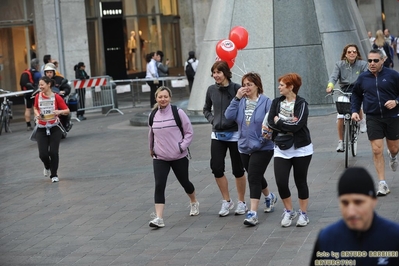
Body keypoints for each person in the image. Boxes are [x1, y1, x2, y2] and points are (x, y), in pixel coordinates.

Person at [310, 167, 399, 266]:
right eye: (345, 203)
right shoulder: (326, 239)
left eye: (358, 202)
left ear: (374, 201)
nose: (351, 212)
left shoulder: (394, 237)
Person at [224, 72, 277, 226]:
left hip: (263, 147)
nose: (246, 87)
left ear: (257, 86)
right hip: (243, 147)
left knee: (253, 176)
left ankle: (253, 213)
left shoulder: (267, 102)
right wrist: (236, 98)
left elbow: (271, 125)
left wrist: (261, 140)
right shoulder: (240, 102)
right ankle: (269, 197)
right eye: (244, 84)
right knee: (256, 175)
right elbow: (228, 115)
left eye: (250, 84)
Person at [148, 86, 198, 228]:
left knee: (185, 182)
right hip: (160, 157)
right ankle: (159, 218)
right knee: (159, 185)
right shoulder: (153, 115)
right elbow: (151, 133)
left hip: (178, 156)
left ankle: (193, 201)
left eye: (165, 96)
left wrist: (181, 147)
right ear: (156, 98)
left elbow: (189, 132)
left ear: (170, 98)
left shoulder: (178, 112)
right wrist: (151, 148)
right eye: (160, 97)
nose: (163, 99)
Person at [267, 73, 313, 227]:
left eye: (282, 85)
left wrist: (279, 121)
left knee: (300, 181)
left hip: (301, 148)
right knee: (281, 182)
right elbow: (270, 122)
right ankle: (289, 211)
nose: (279, 87)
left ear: (291, 87)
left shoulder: (302, 104)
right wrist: (285, 123)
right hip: (281, 146)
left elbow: (298, 125)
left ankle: (303, 214)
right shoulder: (276, 102)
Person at [351, 49, 399, 196]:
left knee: (394, 148)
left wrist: (396, 101)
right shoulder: (363, 78)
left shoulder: (393, 75)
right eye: (369, 61)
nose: (372, 63)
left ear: (383, 60)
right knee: (377, 150)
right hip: (373, 117)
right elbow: (356, 95)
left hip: (392, 117)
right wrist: (354, 110)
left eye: (375, 61)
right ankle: (382, 183)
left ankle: (393, 156)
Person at [203, 60, 247, 217]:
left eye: (219, 72)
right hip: (217, 134)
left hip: (235, 135)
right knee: (216, 168)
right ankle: (226, 201)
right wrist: (213, 120)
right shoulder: (211, 90)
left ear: (226, 73)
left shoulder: (236, 89)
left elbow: (245, 108)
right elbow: (206, 109)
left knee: (238, 169)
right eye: (214, 72)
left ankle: (241, 202)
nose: (216, 75)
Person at [326, 44, 368, 152]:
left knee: (356, 102)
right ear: (345, 54)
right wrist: (330, 86)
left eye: (354, 51)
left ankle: (362, 120)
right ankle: (341, 142)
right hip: (344, 91)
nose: (352, 53)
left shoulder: (362, 64)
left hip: (358, 90)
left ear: (357, 53)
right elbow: (333, 77)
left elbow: (367, 76)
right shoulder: (339, 65)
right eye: (349, 52)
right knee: (340, 116)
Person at [33, 76, 70, 183]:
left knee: (53, 152)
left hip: (54, 127)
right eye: (39, 85)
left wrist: (59, 112)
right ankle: (47, 166)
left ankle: (54, 174)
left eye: (42, 85)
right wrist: (37, 115)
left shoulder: (56, 97)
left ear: (49, 84)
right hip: (41, 127)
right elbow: (35, 108)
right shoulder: (37, 96)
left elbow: (67, 110)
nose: (40, 87)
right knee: (43, 154)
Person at [43, 63, 73, 132]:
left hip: (57, 100)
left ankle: (65, 124)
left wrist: (64, 91)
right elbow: (37, 88)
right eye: (47, 72)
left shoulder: (59, 79)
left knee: (64, 111)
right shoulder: (42, 80)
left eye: (50, 72)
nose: (49, 74)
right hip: (45, 102)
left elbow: (67, 87)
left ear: (54, 72)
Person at [21, 58, 41, 131]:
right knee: (35, 108)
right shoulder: (37, 73)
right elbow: (40, 83)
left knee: (28, 108)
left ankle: (28, 125)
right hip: (35, 92)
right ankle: (36, 123)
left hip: (27, 93)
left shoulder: (27, 71)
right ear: (37, 65)